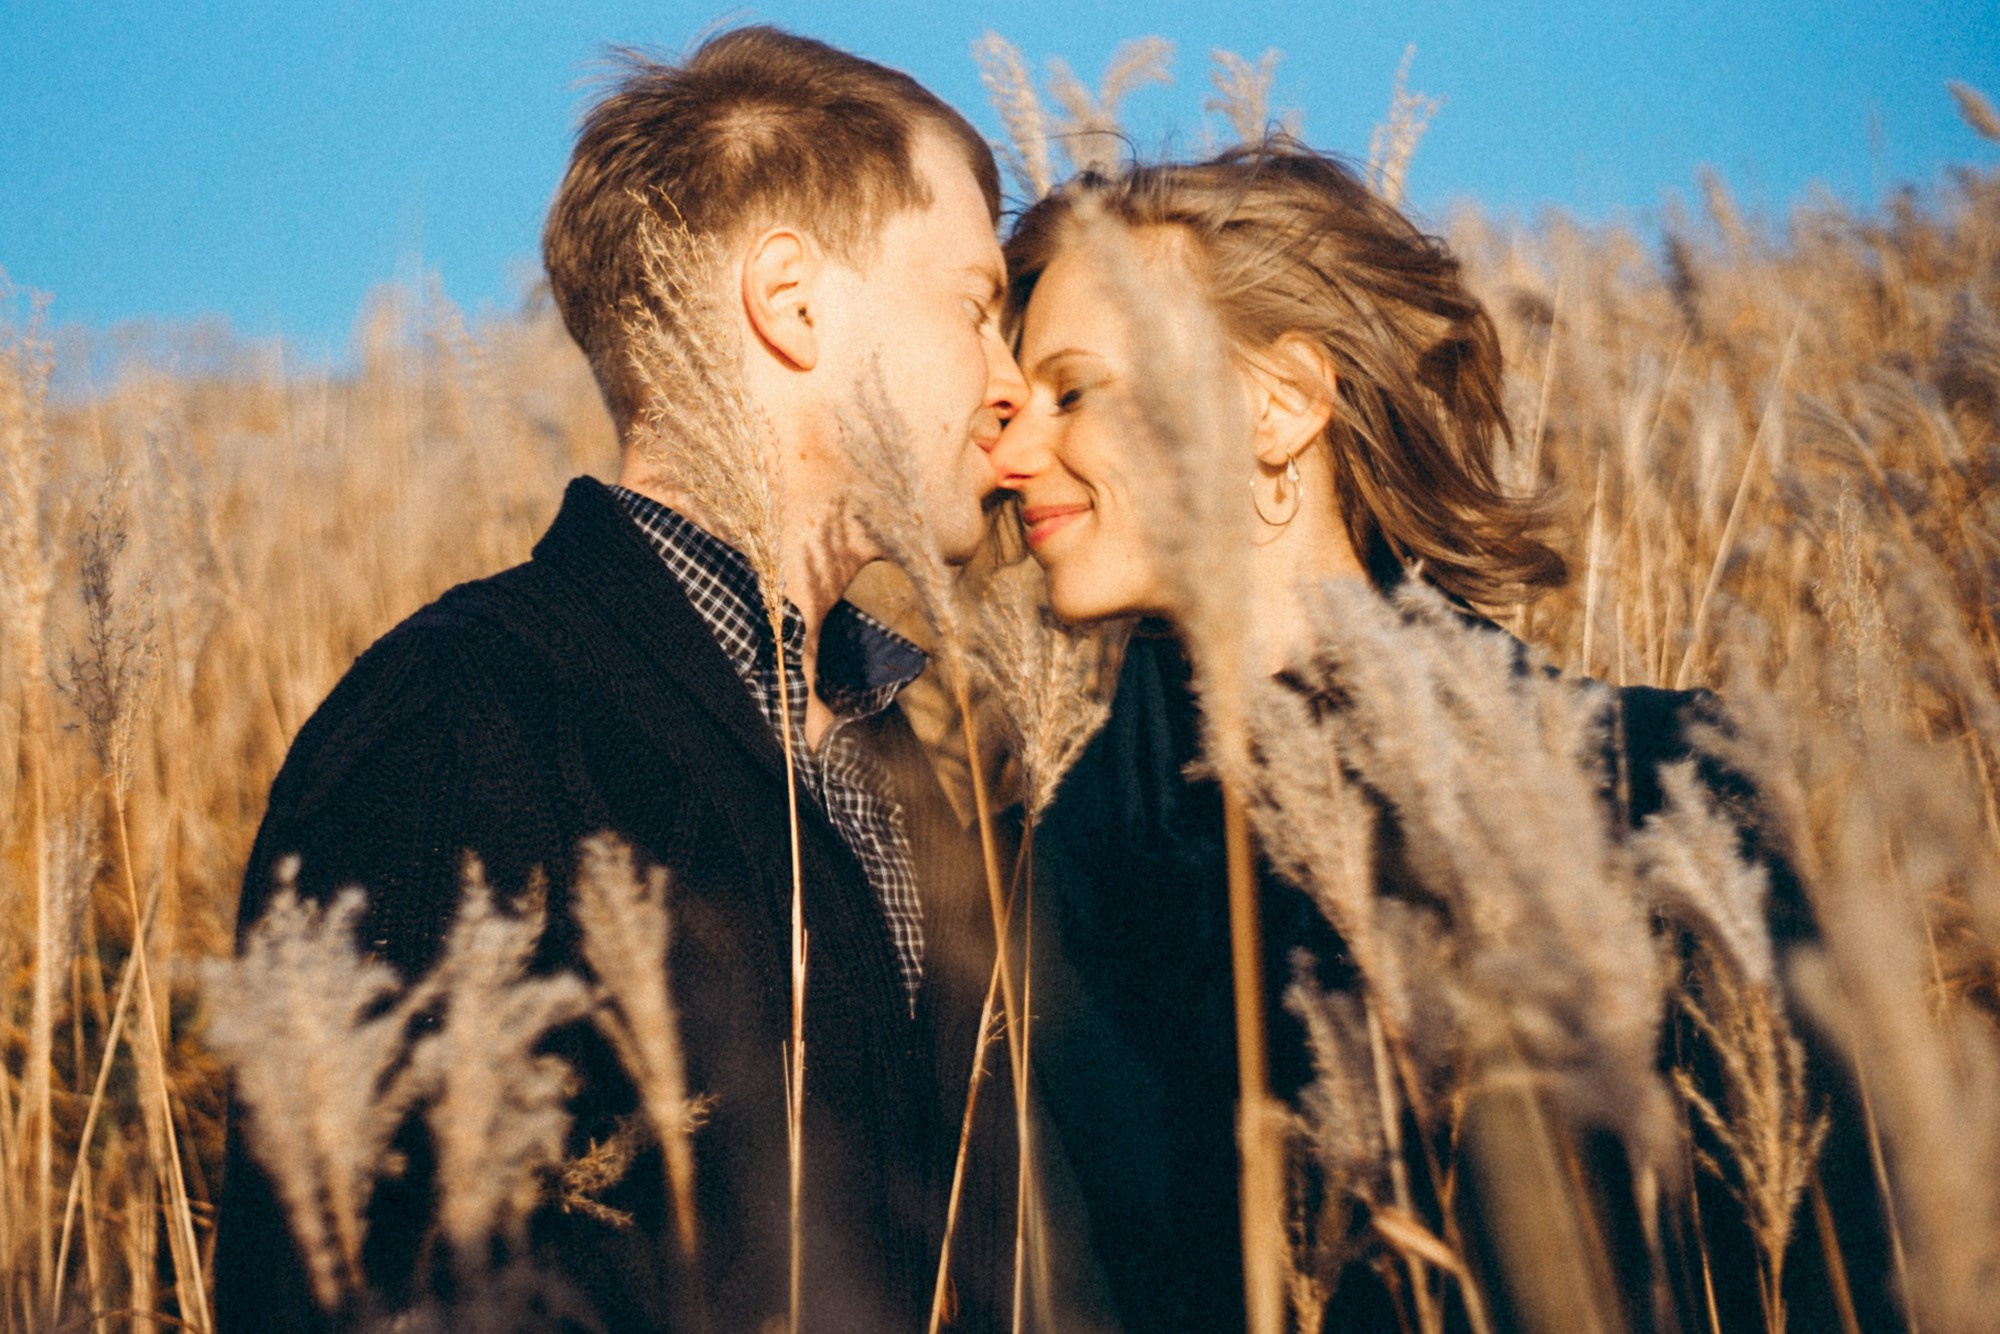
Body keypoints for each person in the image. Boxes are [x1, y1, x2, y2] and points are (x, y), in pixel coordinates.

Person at [986, 141, 1890, 1332]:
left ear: (1281, 404)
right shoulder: (1030, 892)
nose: (1008, 453)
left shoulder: (1653, 785)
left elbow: (1824, 1278)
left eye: (1072, 391)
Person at [215, 26, 1026, 1332]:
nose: (1010, 383)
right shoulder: (466, 722)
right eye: (978, 307)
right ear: (793, 302)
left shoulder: (896, 749)